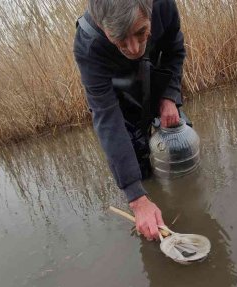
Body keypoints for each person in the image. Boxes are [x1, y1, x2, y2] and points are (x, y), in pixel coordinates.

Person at [73, 0, 186, 241]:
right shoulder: (88, 45)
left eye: (141, 32)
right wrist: (136, 199)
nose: (134, 48)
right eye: (121, 41)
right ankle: (149, 214)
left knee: (179, 148)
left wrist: (170, 96)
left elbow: (175, 51)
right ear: (104, 29)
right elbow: (107, 119)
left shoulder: (164, 6)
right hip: (122, 98)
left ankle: (181, 208)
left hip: (155, 78)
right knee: (138, 162)